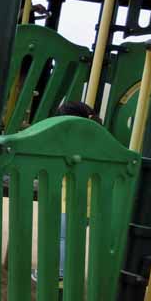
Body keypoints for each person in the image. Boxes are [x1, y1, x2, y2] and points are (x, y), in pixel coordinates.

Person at [31, 100, 101, 284]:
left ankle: (59, 271)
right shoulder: (97, 140)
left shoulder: (71, 143)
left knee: (62, 238)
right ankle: (65, 270)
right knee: (71, 239)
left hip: (69, 203)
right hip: (88, 204)